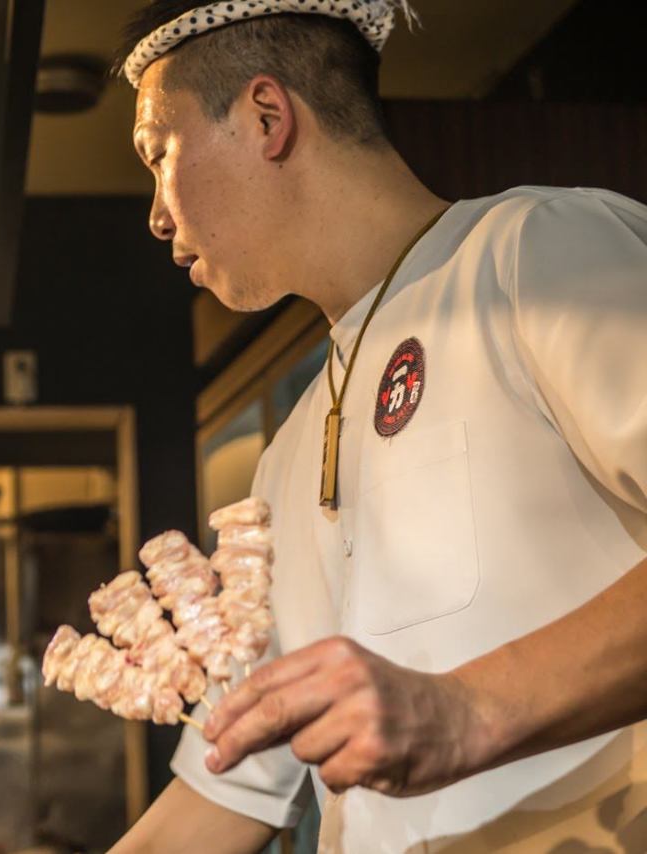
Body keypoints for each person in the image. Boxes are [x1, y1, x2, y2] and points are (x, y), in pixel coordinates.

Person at [107, 1, 647, 851]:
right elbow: (234, 785)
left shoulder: (532, 254)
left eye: (158, 153)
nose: (156, 215)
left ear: (266, 117)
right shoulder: (284, 457)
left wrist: (467, 708)